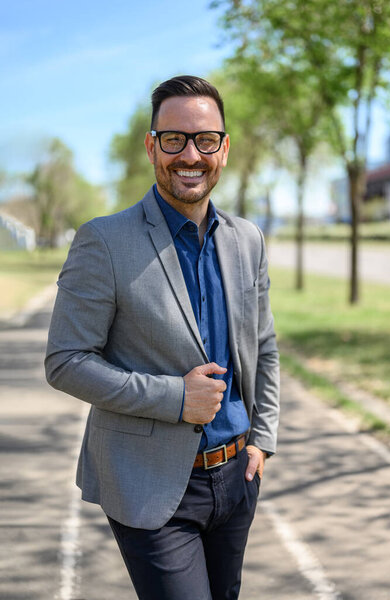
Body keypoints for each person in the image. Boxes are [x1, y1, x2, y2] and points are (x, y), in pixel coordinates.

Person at [45, 75, 280, 600]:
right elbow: (65, 360)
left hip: (238, 476)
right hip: (148, 483)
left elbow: (263, 345)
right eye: (174, 139)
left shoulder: (248, 240)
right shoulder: (103, 241)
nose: (190, 154)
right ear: (152, 146)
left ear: (224, 148)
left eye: (205, 140)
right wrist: (177, 398)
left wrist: (263, 435)